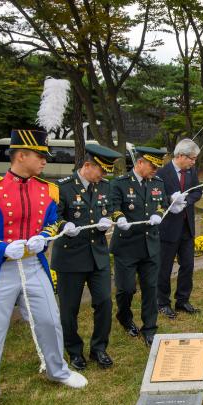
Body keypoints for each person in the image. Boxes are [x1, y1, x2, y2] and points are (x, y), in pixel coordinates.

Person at [0, 129, 87, 405]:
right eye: (40, 156)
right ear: (21, 155)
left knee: (49, 319)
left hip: (34, 265)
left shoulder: (48, 190)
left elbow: (51, 222)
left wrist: (44, 236)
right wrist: (0, 248)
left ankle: (57, 370)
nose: (45, 161)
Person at [52, 144, 122, 370]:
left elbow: (109, 209)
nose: (103, 175)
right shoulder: (62, 187)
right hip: (71, 257)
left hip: (97, 256)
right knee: (69, 309)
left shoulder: (104, 186)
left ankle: (99, 348)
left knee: (103, 302)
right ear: (88, 165)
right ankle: (74, 351)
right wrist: (64, 225)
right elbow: (54, 218)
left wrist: (108, 221)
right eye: (101, 170)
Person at [111, 146, 181, 347]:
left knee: (151, 288)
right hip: (127, 245)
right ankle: (124, 317)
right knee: (126, 289)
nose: (155, 170)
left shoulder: (157, 182)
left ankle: (149, 328)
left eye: (158, 166)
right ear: (140, 162)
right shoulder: (120, 184)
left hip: (150, 244)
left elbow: (161, 202)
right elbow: (113, 206)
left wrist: (159, 213)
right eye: (152, 165)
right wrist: (120, 217)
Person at [157, 138, 203, 318]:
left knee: (188, 265)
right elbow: (156, 195)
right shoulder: (162, 172)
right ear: (181, 156)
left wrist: (186, 201)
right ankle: (162, 302)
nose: (194, 162)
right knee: (165, 267)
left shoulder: (191, 171)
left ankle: (183, 300)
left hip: (187, 226)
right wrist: (170, 199)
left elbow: (197, 191)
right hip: (169, 227)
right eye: (192, 158)